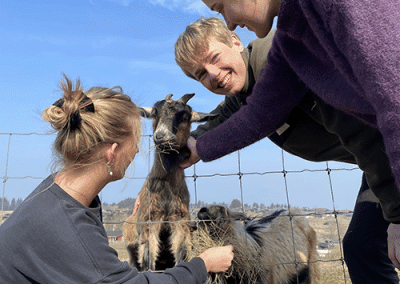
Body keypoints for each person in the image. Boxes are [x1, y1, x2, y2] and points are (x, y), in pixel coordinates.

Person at [175, 16, 400, 283]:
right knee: (362, 248)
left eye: (213, 58)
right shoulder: (246, 92)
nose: (212, 74)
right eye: (200, 73)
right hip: (378, 161)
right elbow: (221, 119)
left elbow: (363, 131)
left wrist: (398, 213)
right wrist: (165, 168)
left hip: (389, 149)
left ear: (235, 41)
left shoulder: (280, 59)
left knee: (365, 247)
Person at [0, 75, 233, 284]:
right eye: (136, 142)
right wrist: (202, 264)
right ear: (111, 153)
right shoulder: (72, 229)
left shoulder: (56, 193)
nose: (136, 152)